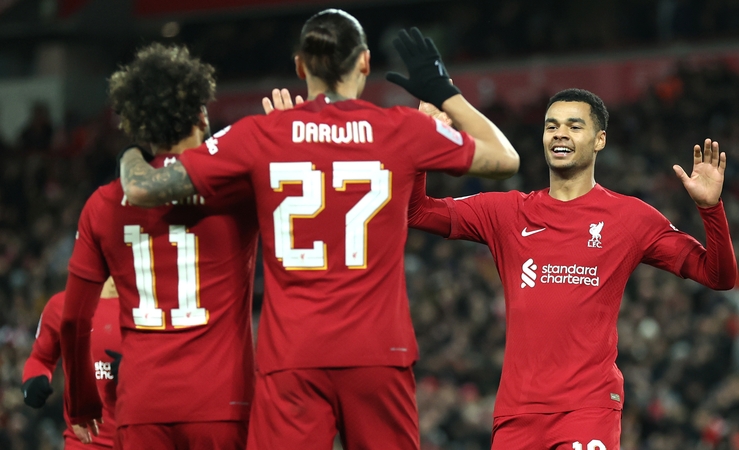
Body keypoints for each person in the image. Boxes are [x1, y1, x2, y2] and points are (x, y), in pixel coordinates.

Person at [117, 9, 519, 450]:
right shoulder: (402, 129)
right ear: (365, 62)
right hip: (378, 353)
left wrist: (134, 151)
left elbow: (142, 188)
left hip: (292, 358)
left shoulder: (260, 134)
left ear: (299, 66)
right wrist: (444, 92)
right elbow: (505, 159)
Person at [407, 88, 738, 450]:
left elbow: (718, 276)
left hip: (587, 410)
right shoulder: (506, 212)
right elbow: (417, 211)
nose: (559, 133)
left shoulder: (631, 218)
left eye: (573, 126)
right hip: (516, 415)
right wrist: (419, 145)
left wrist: (711, 210)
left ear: (600, 140)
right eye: (551, 126)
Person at [60, 43, 259, 449]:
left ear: (140, 126)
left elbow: (74, 321)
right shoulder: (238, 189)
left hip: (142, 405)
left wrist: (82, 403)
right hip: (222, 400)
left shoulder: (102, 204)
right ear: (201, 114)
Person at [22, 277, 121, 448]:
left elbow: (177, 364)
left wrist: (138, 368)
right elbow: (41, 358)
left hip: (144, 439)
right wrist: (33, 380)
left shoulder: (154, 309)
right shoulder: (62, 306)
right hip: (84, 442)